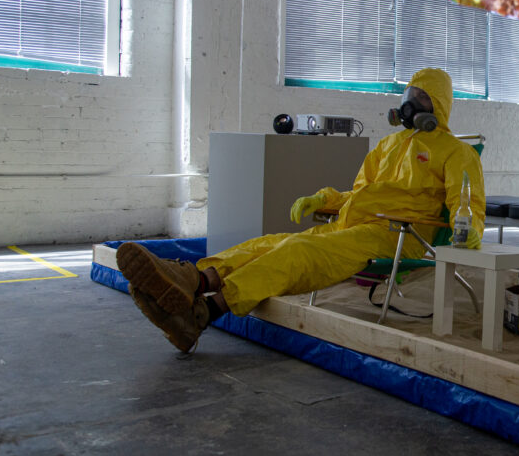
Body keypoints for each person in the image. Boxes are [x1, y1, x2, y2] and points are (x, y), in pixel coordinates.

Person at [117, 68, 485, 353]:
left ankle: (204, 310)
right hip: (352, 226)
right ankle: (193, 282)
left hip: (399, 236)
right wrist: (323, 199)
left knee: (298, 251)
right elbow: (358, 193)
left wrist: (467, 236)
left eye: (421, 98)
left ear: (437, 108)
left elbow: (468, 206)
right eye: (409, 95)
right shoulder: (388, 145)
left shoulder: (456, 152)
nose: (410, 104)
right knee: (270, 243)